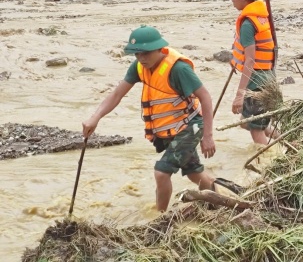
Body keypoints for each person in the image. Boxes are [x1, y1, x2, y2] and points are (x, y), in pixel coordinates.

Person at [82, 25, 216, 212]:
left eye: (145, 53)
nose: (141, 58)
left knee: (161, 173)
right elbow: (116, 95)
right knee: (194, 173)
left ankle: (159, 220)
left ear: (159, 49)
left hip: (189, 126)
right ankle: (215, 203)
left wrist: (208, 135)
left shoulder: (179, 69)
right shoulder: (139, 67)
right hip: (171, 130)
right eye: (137, 54)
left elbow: (205, 97)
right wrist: (95, 118)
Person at [227, 0, 281, 145]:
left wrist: (240, 95)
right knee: (251, 123)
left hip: (256, 83)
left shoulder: (248, 24)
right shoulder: (261, 17)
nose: (232, 0)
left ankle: (265, 165)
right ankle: (290, 144)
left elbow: (250, 61)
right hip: (268, 78)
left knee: (256, 131)